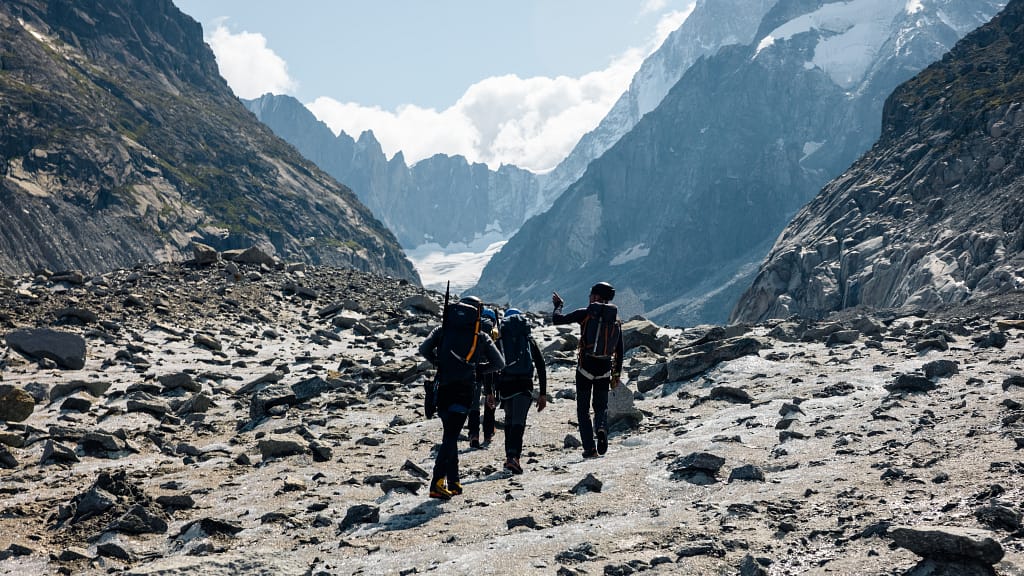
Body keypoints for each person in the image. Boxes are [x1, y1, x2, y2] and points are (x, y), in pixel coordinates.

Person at [419, 296, 505, 499]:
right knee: (451, 436)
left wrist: (439, 362)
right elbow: (499, 363)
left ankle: (454, 481)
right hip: (464, 391)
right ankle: (437, 482)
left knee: (449, 434)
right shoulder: (480, 335)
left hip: (442, 389)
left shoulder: (442, 330)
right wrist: (478, 369)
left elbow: (423, 349)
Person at [551, 282, 623, 458]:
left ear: (596, 297)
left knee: (583, 410)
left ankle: (590, 449)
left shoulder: (585, 313)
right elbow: (619, 350)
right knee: (601, 406)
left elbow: (557, 320)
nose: (589, 297)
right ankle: (601, 427)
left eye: (591, 294)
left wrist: (558, 305)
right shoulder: (615, 319)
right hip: (605, 368)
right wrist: (616, 374)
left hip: (585, 367)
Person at [496, 308, 547, 474]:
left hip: (506, 385)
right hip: (524, 384)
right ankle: (514, 458)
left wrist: (490, 391)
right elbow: (540, 365)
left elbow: (492, 365)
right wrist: (543, 393)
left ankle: (509, 458)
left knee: (509, 421)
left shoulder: (501, 340)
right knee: (519, 421)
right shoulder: (528, 339)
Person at [466, 308, 499, 448]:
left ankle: (474, 434)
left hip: (474, 369)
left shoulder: (474, 329)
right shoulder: (494, 331)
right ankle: (488, 433)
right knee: (490, 399)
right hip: (489, 370)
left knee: (474, 404)